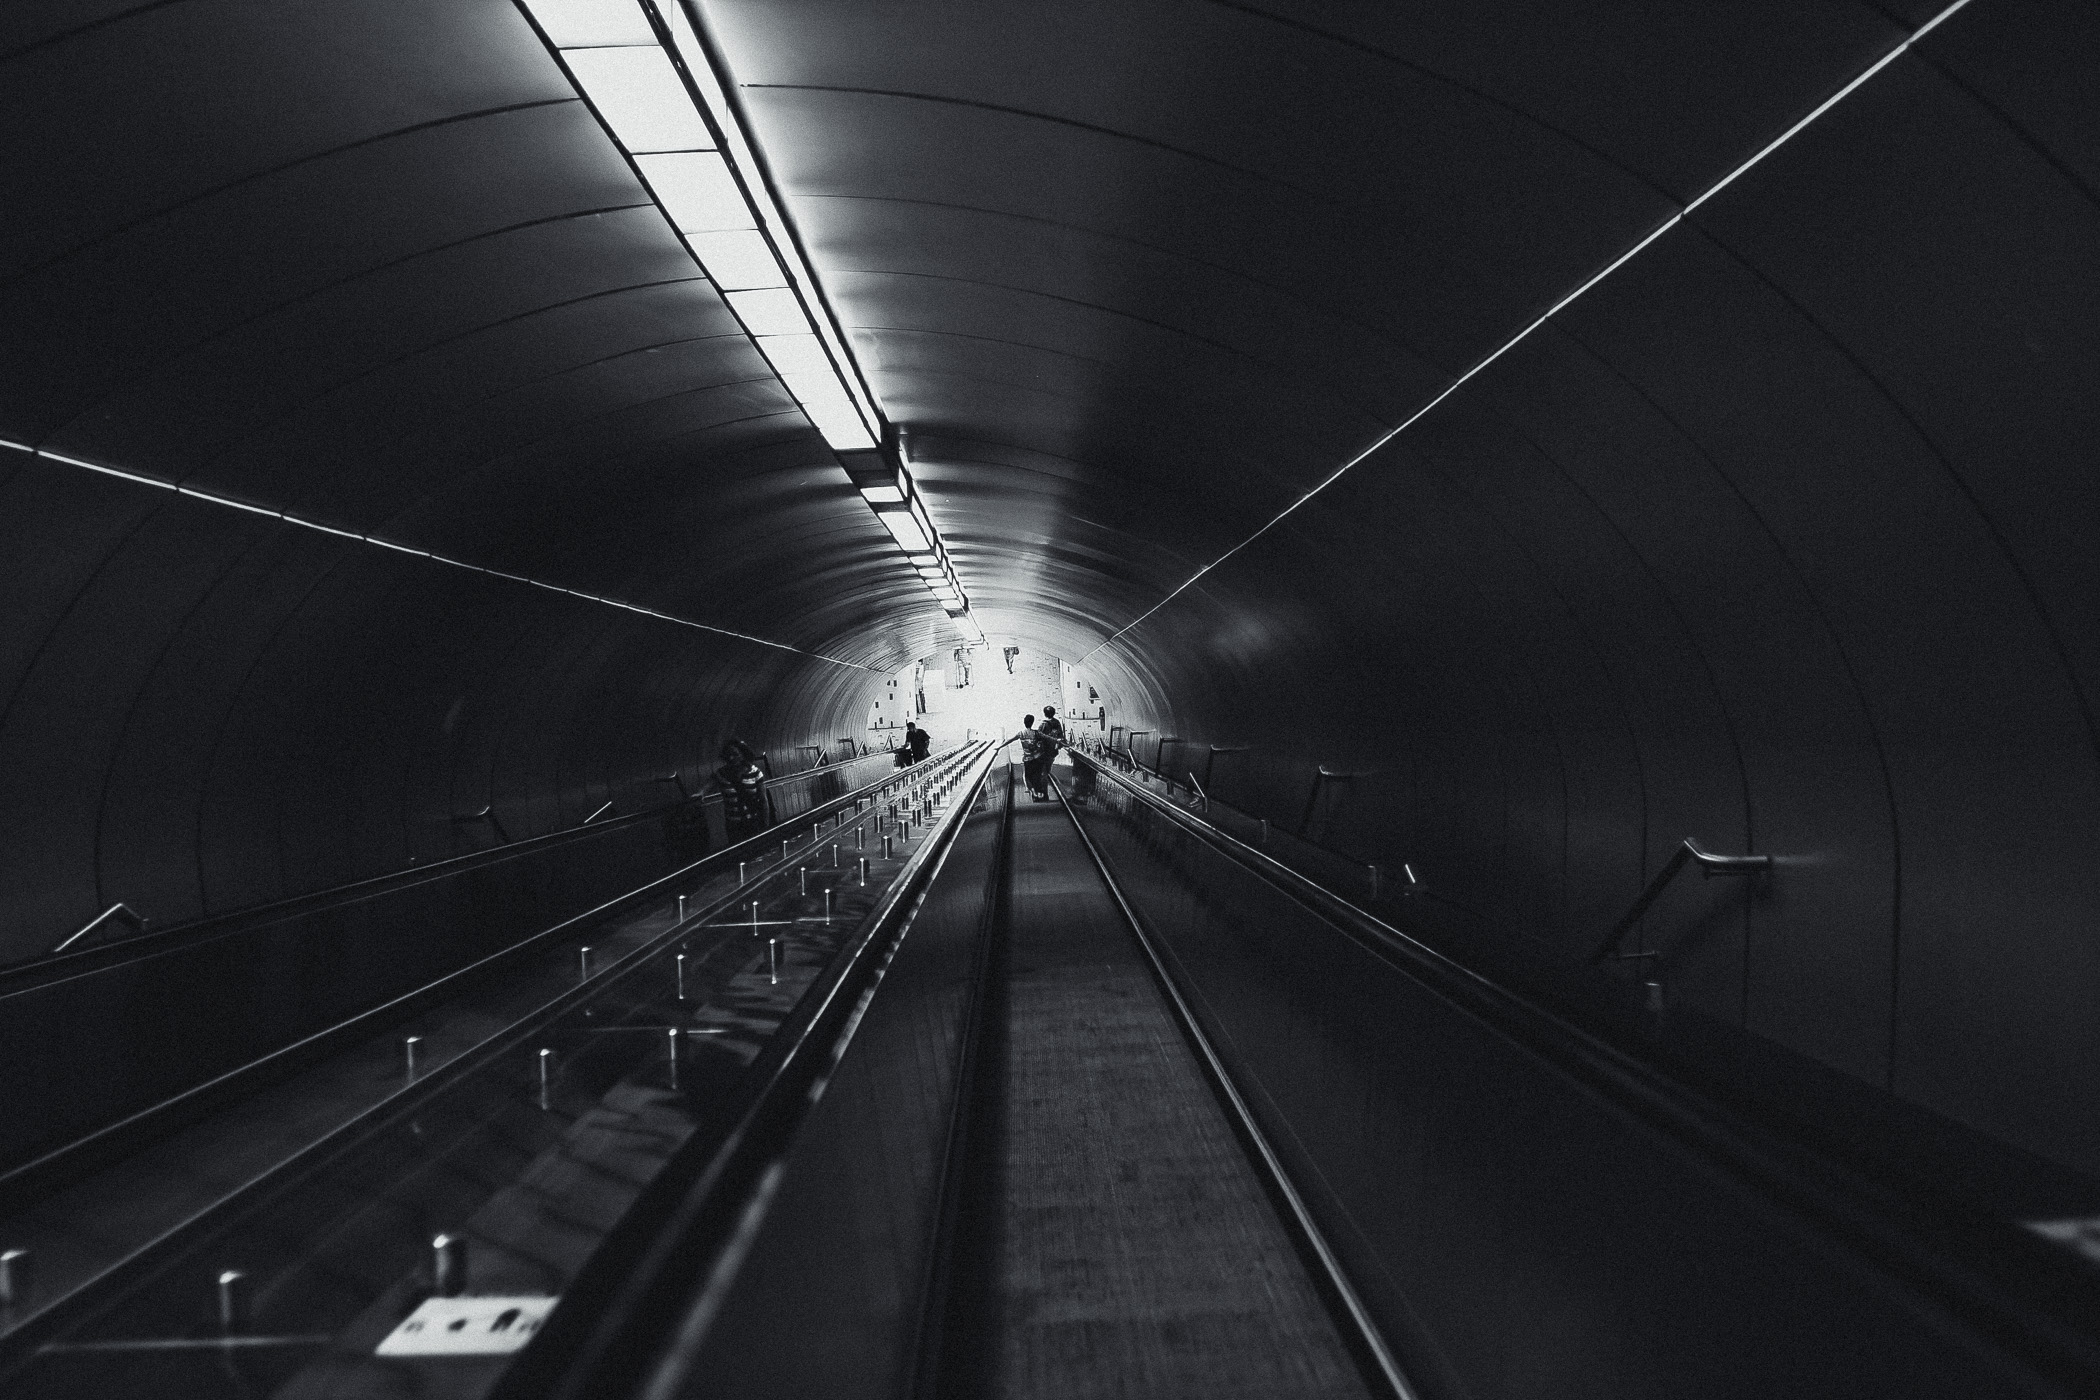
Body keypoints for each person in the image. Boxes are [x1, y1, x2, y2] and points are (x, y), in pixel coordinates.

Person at [714, 740, 770, 844]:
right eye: (728, 755)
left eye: (735, 754)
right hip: (733, 825)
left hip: (753, 821)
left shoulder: (755, 772)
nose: (731, 758)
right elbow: (710, 783)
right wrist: (701, 793)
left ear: (744, 754)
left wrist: (765, 826)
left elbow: (763, 801)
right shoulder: (722, 773)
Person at [1000, 714, 1050, 801]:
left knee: (1028, 777)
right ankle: (1040, 794)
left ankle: (1033, 792)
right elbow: (1048, 738)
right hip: (1037, 758)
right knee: (1037, 776)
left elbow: (1010, 740)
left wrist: (999, 747)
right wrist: (1059, 741)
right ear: (1032, 722)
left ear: (1024, 723)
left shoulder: (1021, 734)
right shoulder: (1036, 733)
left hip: (1028, 759)